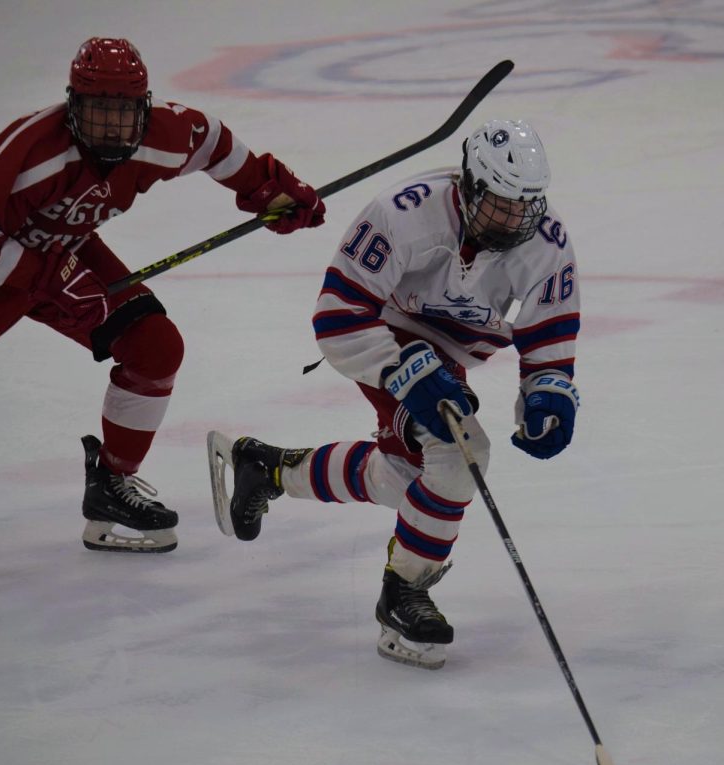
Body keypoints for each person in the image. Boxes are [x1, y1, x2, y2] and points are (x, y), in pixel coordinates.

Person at [0, 38, 326, 553]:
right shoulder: (31, 154)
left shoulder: (164, 133)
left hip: (59, 247)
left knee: (154, 347)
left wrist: (267, 189)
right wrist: (49, 278)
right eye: (97, 111)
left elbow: (212, 142)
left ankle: (112, 487)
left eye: (122, 113)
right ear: (72, 108)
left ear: (143, 107)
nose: (109, 127)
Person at [206, 119, 580, 668]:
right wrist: (402, 371)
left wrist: (548, 394)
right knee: (459, 454)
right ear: (470, 185)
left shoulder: (546, 243)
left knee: (407, 478)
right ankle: (403, 593)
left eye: (524, 206)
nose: (513, 219)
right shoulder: (403, 214)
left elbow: (551, 333)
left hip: (450, 354)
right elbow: (337, 316)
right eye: (500, 204)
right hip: (381, 333)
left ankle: (270, 469)